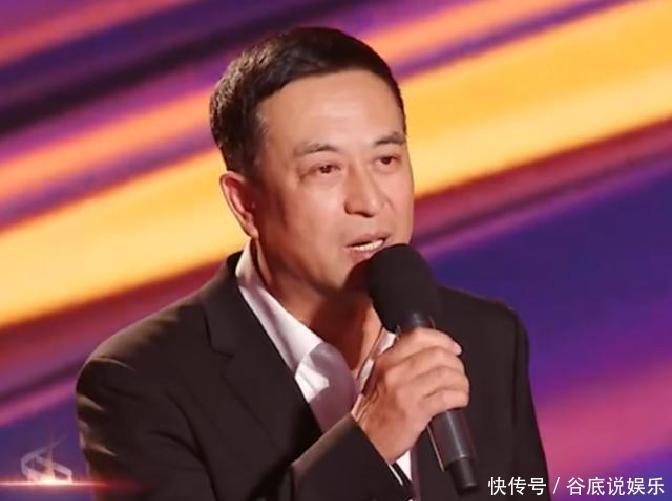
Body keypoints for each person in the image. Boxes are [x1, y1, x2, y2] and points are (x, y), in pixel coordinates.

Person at [76, 26, 549, 500]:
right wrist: (366, 444)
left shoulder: (485, 337)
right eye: (326, 169)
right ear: (245, 203)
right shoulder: (140, 381)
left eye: (386, 160)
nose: (369, 201)